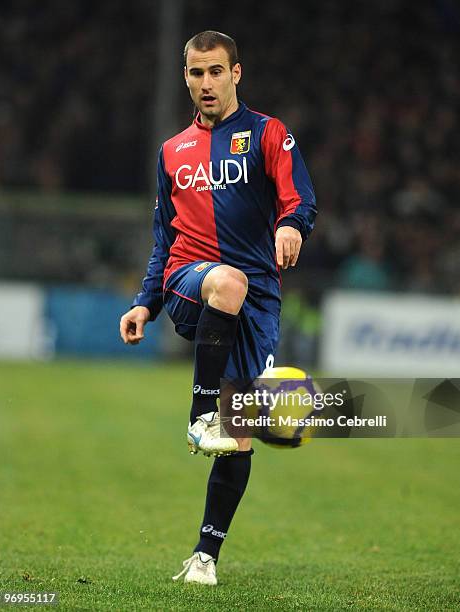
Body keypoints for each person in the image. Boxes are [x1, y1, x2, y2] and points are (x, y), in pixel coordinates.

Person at [119, 30, 317, 586]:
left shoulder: (267, 135)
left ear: (236, 74)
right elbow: (164, 238)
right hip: (193, 280)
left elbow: (299, 195)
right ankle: (197, 415)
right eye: (194, 73)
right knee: (226, 283)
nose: (204, 83)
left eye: (214, 72)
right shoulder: (172, 152)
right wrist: (146, 302)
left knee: (240, 432)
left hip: (256, 299)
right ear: (185, 77)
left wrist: (290, 226)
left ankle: (205, 558)